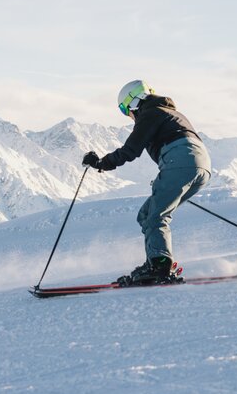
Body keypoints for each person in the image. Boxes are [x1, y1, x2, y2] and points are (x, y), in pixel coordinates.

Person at [82, 80, 212, 284]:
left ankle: (160, 266)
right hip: (201, 166)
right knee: (146, 214)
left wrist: (101, 163)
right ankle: (158, 260)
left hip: (179, 162)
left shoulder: (150, 112)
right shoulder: (170, 112)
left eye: (125, 109)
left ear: (134, 102)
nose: (129, 115)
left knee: (156, 216)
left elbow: (130, 150)